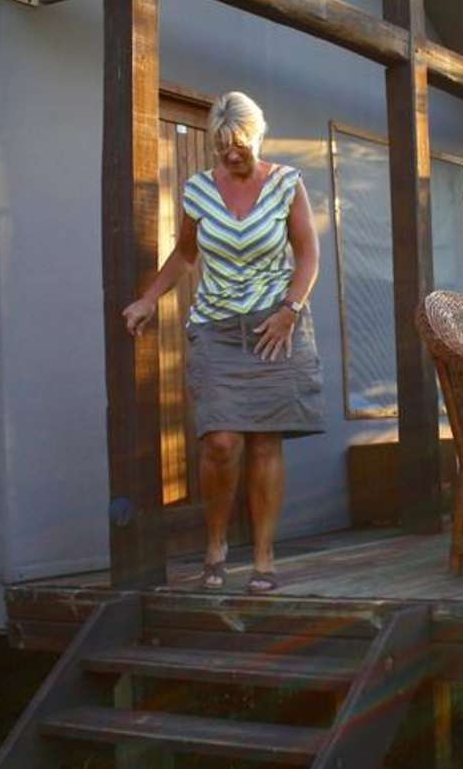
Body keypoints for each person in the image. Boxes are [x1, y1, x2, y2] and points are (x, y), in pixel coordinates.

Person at [121, 91, 323, 593]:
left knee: (265, 442)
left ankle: (263, 557)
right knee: (221, 442)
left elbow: (308, 256)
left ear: (257, 136)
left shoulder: (286, 184)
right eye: (221, 147)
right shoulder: (198, 191)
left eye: (239, 145)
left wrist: (289, 311)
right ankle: (215, 545)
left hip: (275, 327)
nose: (231, 155)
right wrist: (149, 299)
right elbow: (185, 256)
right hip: (217, 328)